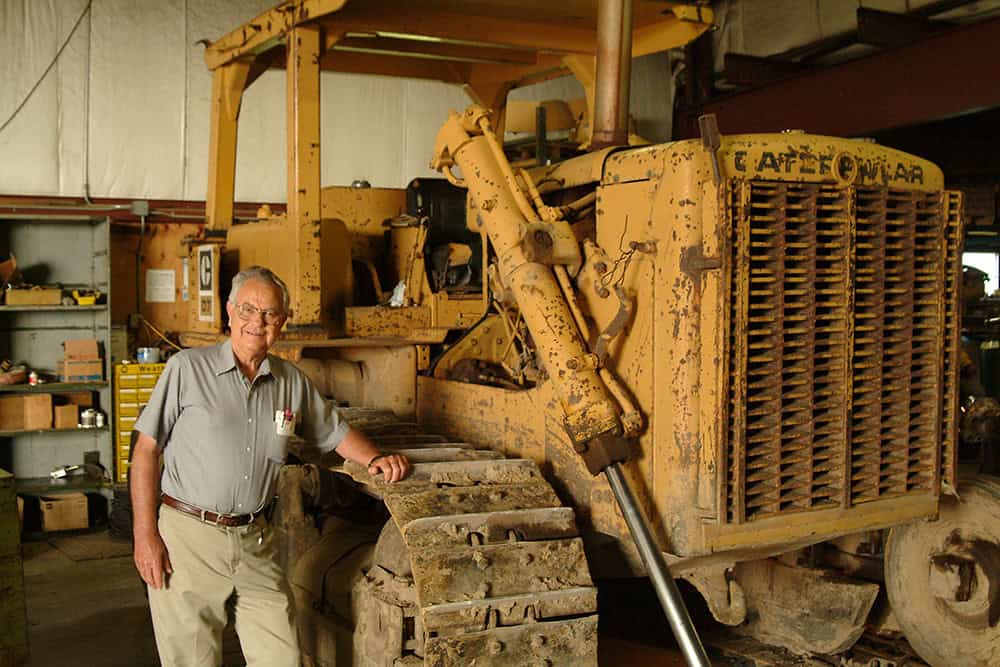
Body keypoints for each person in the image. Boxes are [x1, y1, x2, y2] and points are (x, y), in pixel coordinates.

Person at [131, 265, 410, 666]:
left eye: (269, 314)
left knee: (282, 656)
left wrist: (376, 458)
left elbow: (334, 432)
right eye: (248, 309)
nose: (257, 322)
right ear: (230, 312)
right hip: (189, 540)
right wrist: (145, 535)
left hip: (255, 540)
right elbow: (146, 451)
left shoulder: (289, 381)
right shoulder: (187, 369)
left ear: (282, 322)